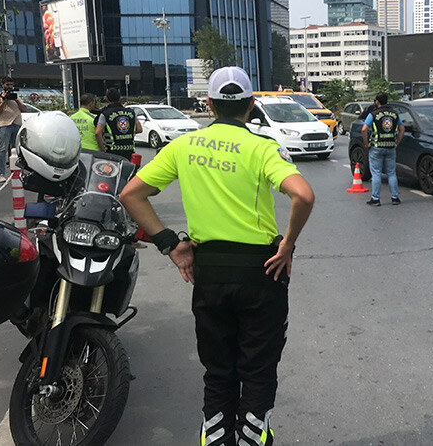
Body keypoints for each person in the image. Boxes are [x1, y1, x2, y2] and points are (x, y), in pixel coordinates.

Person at [119, 66, 315, 446]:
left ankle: (217, 435)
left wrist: (170, 244)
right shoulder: (263, 147)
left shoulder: (183, 146)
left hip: (208, 273)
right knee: (258, 367)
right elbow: (303, 195)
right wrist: (288, 244)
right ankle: (253, 435)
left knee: (218, 367)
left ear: (208, 105)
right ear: (251, 105)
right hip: (262, 274)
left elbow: (130, 194)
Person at [361, 92, 404, 206]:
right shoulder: (395, 114)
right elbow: (402, 129)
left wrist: (366, 144)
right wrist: (397, 142)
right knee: (391, 173)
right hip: (390, 147)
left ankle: (375, 199)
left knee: (376, 173)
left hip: (376, 147)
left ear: (377, 102)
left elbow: (364, 129)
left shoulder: (373, 114)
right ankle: (395, 198)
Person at [0, 77, 26, 182]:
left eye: (11, 85)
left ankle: (18, 171)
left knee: (16, 149)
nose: (9, 87)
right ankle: (1, 173)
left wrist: (15, 99)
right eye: (7, 85)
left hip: (16, 124)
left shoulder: (16, 97)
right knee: (3, 149)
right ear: (3, 85)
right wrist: (4, 100)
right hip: (4, 125)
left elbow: (24, 109)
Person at [96, 88, 142, 159]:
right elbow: (139, 129)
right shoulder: (131, 112)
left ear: (107, 99)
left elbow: (97, 132)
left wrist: (102, 148)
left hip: (112, 152)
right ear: (120, 99)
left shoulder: (105, 114)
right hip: (129, 151)